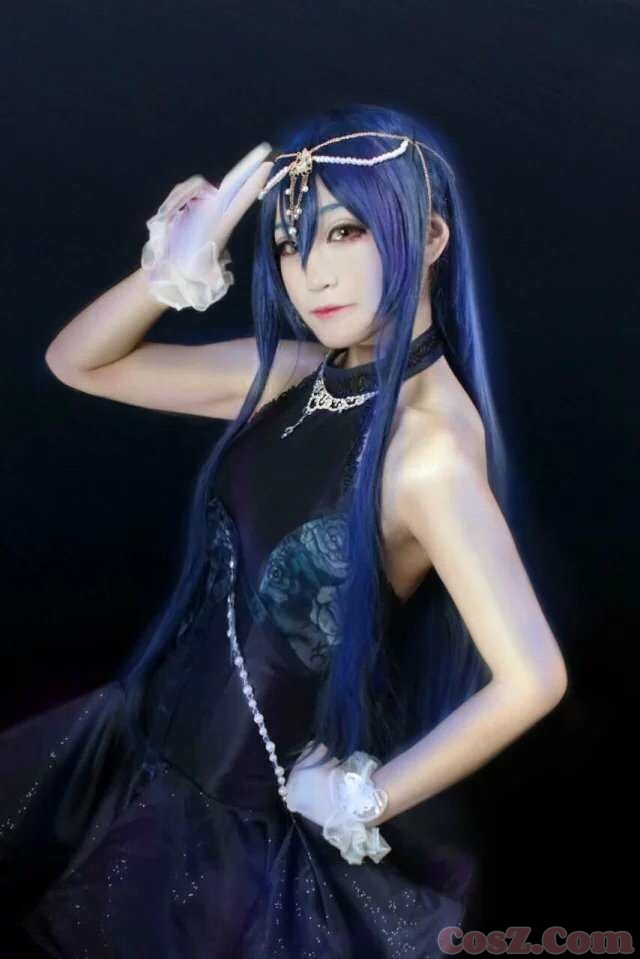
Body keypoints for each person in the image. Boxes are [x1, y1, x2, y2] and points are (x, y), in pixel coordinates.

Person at [0, 102, 568, 957]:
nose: (312, 276)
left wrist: (368, 797)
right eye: (289, 244)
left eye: (345, 233)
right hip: (127, 748)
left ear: (430, 237)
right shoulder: (303, 373)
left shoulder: (428, 452)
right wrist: (163, 277)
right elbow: (78, 361)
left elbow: (534, 676)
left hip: (220, 835)